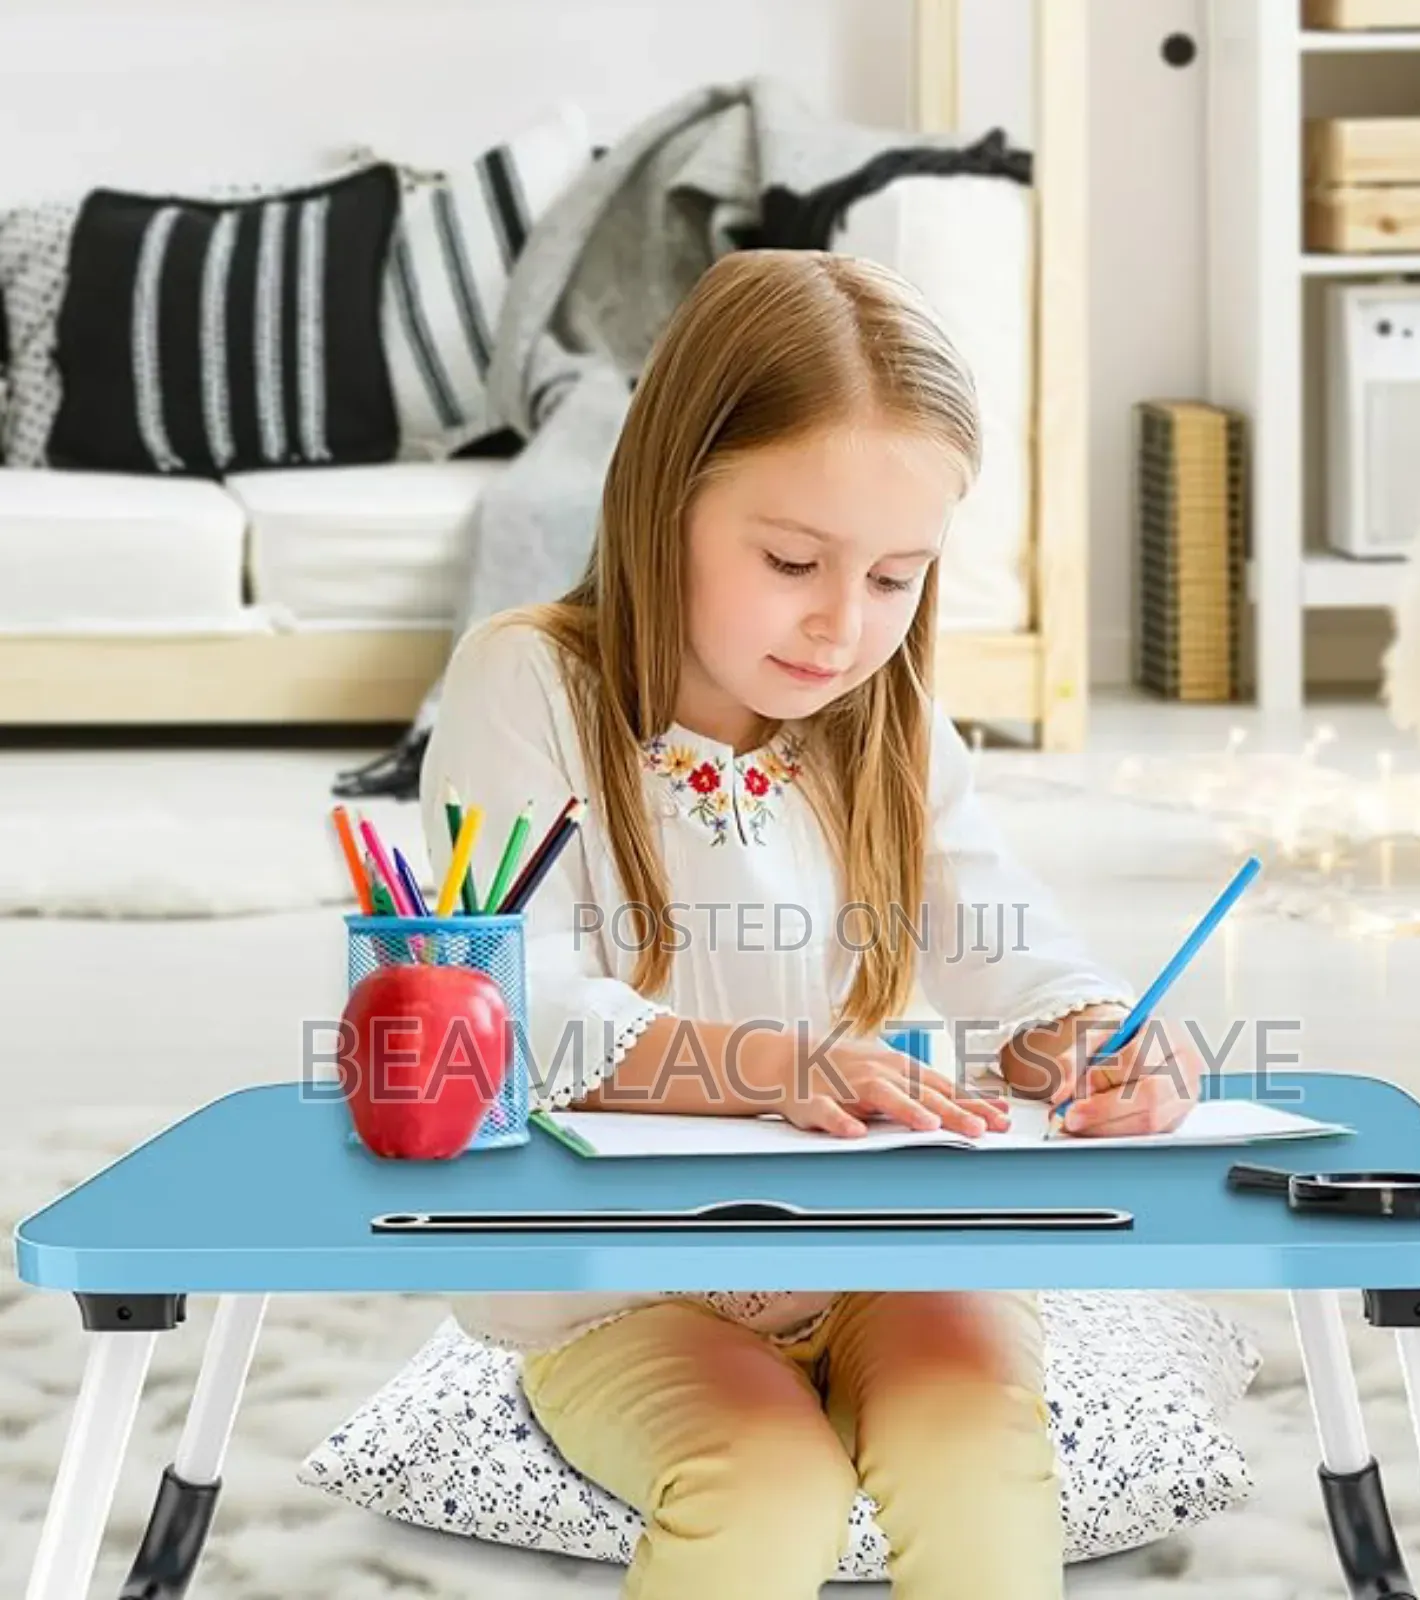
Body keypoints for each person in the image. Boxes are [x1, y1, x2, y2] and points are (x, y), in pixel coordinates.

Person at [419, 249, 1204, 1600]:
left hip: (882, 1245)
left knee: (975, 1454)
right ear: (664, 500)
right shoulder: (528, 684)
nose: (845, 626)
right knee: (763, 1485)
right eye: (792, 560)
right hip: (627, 1286)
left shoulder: (890, 728)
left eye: (899, 578)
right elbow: (502, 1000)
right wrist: (769, 1069)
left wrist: (1092, 1038)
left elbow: (1011, 953)